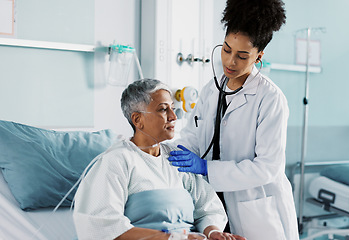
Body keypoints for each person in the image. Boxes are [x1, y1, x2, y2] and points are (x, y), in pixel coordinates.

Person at [168, 0, 299, 239]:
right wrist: (163, 154)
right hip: (213, 205)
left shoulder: (270, 98)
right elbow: (193, 139)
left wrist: (207, 168)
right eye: (226, 49)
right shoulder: (211, 90)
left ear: (259, 56)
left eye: (242, 56)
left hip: (256, 211)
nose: (230, 62)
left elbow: (268, 167)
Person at [73, 79, 245, 240]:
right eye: (163, 109)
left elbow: (208, 208)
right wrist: (173, 238)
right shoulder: (116, 161)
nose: (173, 116)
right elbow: (103, 226)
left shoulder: (176, 158)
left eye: (172, 107)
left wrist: (213, 232)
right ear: (137, 119)